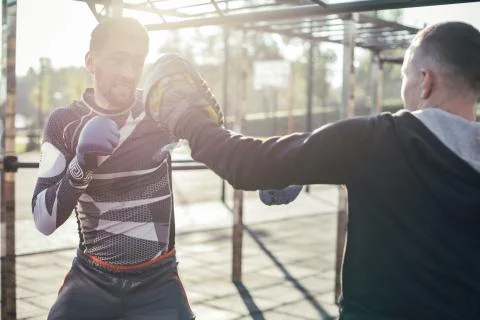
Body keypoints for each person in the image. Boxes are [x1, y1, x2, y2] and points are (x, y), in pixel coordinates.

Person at [144, 22, 480, 319]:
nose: (403, 89)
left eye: (405, 77)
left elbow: (249, 164)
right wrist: (308, 167)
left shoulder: (378, 139)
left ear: (425, 82)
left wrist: (186, 118)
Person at [31, 17, 195, 320]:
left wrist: (267, 173)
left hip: (158, 281)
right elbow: (43, 219)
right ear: (91, 61)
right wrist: (82, 164)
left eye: (137, 62)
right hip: (91, 279)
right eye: (119, 60)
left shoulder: (157, 110)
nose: (129, 73)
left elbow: (213, 144)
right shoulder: (64, 123)